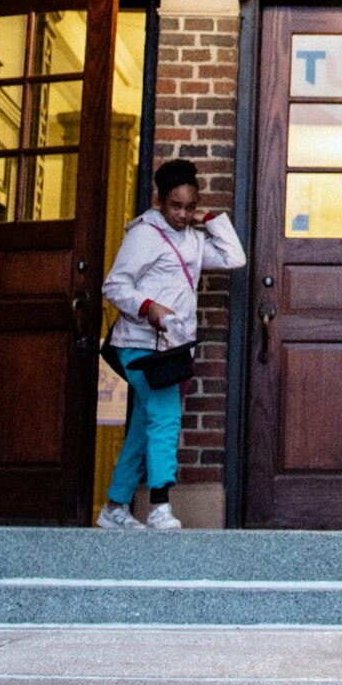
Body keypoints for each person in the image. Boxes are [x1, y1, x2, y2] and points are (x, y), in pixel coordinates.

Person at [98, 158, 247, 530]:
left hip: (172, 349)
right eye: (175, 206)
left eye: (190, 207)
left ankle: (115, 506)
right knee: (166, 418)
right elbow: (114, 285)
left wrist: (209, 220)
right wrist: (149, 307)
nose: (182, 214)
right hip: (139, 346)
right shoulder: (143, 235)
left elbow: (234, 257)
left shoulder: (194, 240)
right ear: (159, 202)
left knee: (143, 424)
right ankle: (160, 504)